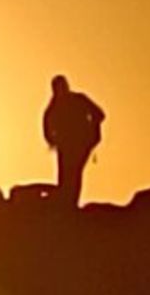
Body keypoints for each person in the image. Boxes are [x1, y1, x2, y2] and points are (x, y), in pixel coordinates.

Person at [42, 75, 105, 208]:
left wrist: (94, 133)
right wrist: (51, 140)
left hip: (81, 143)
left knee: (73, 173)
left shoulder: (78, 99)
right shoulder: (54, 105)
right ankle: (67, 205)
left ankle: (70, 204)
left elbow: (99, 114)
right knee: (67, 175)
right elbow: (46, 123)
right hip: (65, 145)